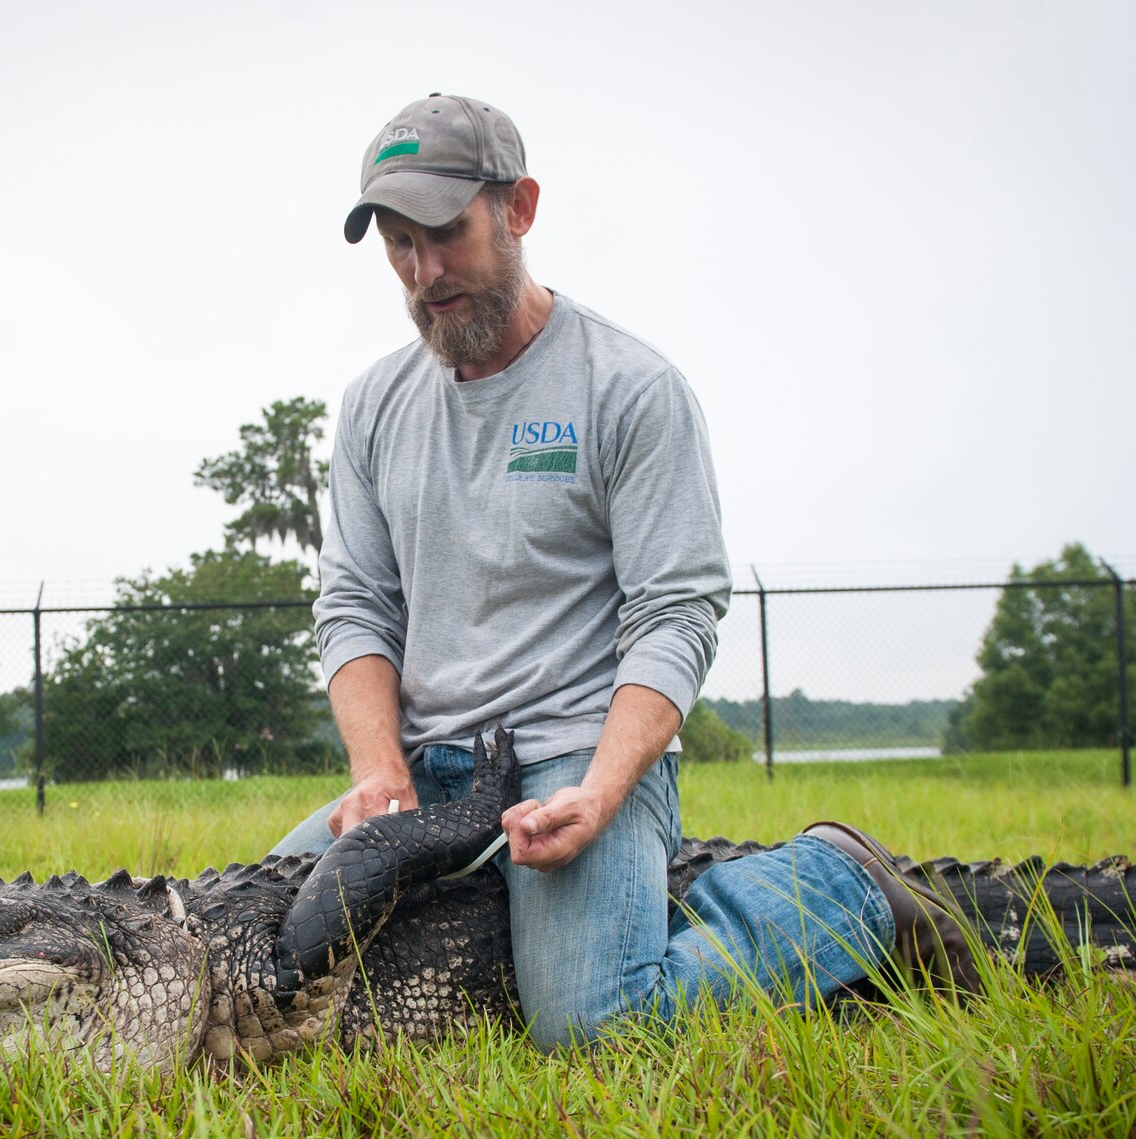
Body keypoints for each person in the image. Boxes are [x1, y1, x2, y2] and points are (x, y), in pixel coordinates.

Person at [271, 94, 977, 1051]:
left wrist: (600, 790)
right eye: (398, 244)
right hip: (428, 769)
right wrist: (378, 769)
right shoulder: (371, 407)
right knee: (262, 935)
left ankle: (837, 884)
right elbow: (355, 603)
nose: (422, 272)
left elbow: (676, 613)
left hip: (575, 749)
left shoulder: (629, 389)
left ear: (517, 208)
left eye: (444, 235)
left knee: (593, 1026)